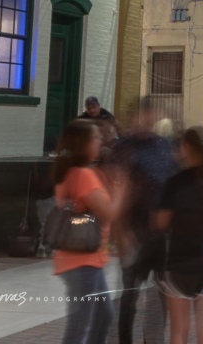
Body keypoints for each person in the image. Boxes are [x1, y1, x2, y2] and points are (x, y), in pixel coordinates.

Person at [107, 99, 177, 344]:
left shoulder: (163, 144)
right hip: (134, 233)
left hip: (161, 234)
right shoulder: (123, 147)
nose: (147, 120)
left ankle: (153, 340)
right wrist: (120, 232)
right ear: (134, 116)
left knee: (160, 296)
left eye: (152, 115)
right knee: (130, 295)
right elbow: (116, 191)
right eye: (143, 115)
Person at [53, 118, 122, 344]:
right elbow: (108, 213)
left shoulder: (72, 172)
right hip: (81, 260)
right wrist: (123, 192)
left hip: (86, 258)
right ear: (83, 143)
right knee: (80, 322)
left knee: (102, 315)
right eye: (96, 137)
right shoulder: (82, 174)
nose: (100, 141)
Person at [156, 127, 203, 344]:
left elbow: (161, 221)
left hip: (180, 260)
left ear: (186, 148)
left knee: (179, 331)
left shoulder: (176, 182)